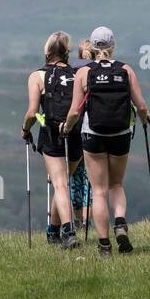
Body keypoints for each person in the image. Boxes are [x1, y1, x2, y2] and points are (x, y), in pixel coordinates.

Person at [62, 26, 150, 256]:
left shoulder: (84, 73)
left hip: (93, 135)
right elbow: (141, 106)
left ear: (91, 46)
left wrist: (66, 127)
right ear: (113, 46)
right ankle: (120, 223)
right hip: (120, 134)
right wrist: (144, 121)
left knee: (99, 191)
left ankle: (104, 244)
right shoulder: (126, 70)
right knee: (116, 184)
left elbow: (74, 111)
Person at [20, 31, 82, 249]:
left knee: (60, 184)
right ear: (67, 52)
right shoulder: (79, 74)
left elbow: (31, 113)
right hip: (76, 135)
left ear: (47, 51)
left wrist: (25, 129)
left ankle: (69, 231)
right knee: (62, 183)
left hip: (52, 135)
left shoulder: (37, 76)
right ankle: (53, 231)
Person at [69, 39, 96, 231]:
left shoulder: (72, 73)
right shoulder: (99, 72)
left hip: (73, 131)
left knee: (75, 179)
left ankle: (77, 222)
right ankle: (88, 221)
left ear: (78, 55)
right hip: (95, 130)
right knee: (91, 180)